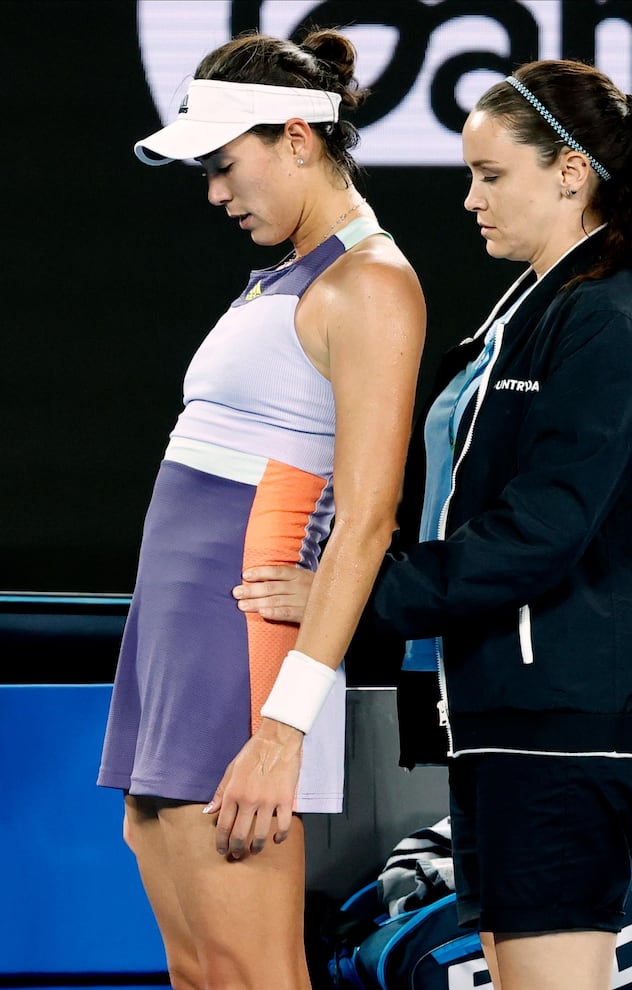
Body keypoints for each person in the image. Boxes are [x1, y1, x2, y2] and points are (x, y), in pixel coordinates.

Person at [233, 59, 632, 990]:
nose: (469, 198)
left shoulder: (610, 320)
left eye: (490, 175)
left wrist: (354, 592)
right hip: (513, 712)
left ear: (570, 172)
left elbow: (539, 533)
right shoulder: (542, 307)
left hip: (572, 720)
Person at [97, 29, 425, 990]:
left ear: (297, 138)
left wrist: (281, 731)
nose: (214, 193)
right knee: (201, 975)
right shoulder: (291, 276)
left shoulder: (370, 283)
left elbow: (368, 520)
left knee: (251, 976)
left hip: (243, 673)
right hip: (174, 654)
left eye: (224, 165)